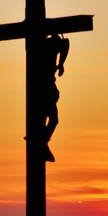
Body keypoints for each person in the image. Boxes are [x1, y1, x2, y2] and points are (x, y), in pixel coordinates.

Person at [40, 33, 69, 162]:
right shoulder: (48, 44)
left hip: (46, 85)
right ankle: (41, 143)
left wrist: (61, 63)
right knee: (52, 118)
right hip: (45, 85)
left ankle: (42, 142)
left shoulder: (46, 43)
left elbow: (65, 44)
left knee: (51, 118)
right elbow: (65, 44)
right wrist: (61, 64)